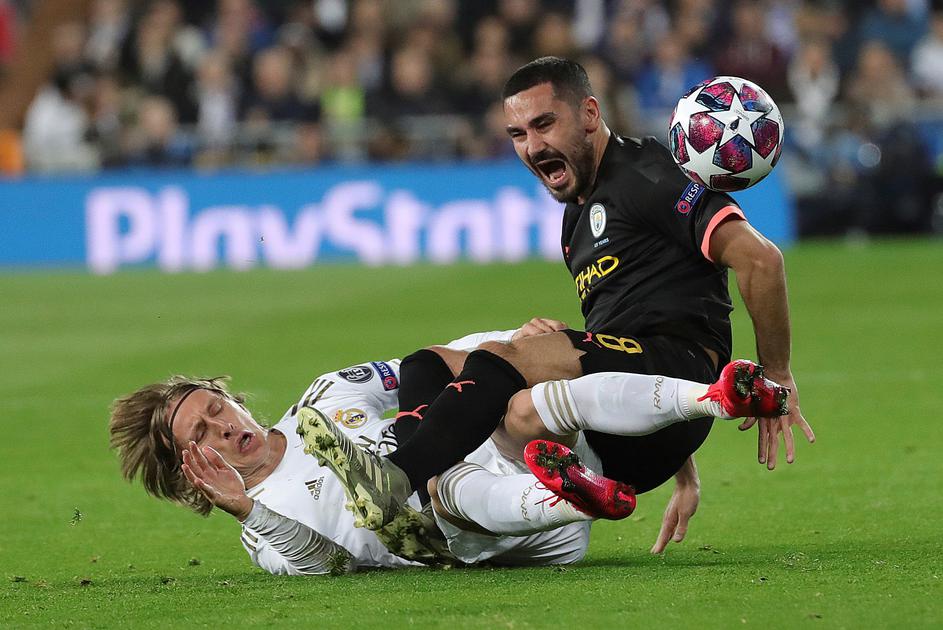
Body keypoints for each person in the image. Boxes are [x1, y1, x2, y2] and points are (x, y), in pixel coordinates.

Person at [303, 57, 814, 554]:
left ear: (589, 114)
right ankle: (431, 498)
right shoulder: (575, 222)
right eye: (517, 134)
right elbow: (629, 332)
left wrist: (778, 376)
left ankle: (398, 479)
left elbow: (761, 260)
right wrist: (685, 468)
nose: (532, 146)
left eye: (544, 124)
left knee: (504, 360)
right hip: (630, 413)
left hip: (678, 364)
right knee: (431, 364)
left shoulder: (648, 174)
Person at [109, 321, 783, 574]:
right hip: (493, 534)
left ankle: (713, 398)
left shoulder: (325, 395)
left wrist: (517, 343)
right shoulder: (263, 531)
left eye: (216, 407)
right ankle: (566, 498)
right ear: (190, 473)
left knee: (522, 399)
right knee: (441, 495)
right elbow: (323, 565)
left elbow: (442, 362)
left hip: (527, 449)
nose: (223, 426)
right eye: (201, 435)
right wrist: (246, 509)